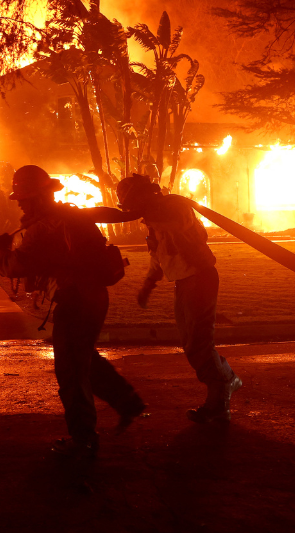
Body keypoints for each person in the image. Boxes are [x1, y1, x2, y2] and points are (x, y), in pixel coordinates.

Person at [0, 165, 145, 460]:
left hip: (78, 300)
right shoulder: (67, 216)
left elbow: (16, 265)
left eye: (23, 198)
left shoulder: (45, 225)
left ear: (38, 196)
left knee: (71, 371)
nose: (20, 203)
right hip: (91, 297)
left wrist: (1, 251)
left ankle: (84, 439)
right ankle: (127, 402)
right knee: (84, 357)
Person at [115, 173, 242, 425]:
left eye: (133, 203)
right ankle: (226, 378)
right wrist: (148, 285)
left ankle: (219, 400)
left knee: (199, 344)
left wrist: (149, 215)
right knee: (191, 343)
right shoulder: (154, 219)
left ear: (142, 196)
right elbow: (159, 255)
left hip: (199, 278)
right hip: (184, 282)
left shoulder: (174, 206)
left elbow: (178, 225)